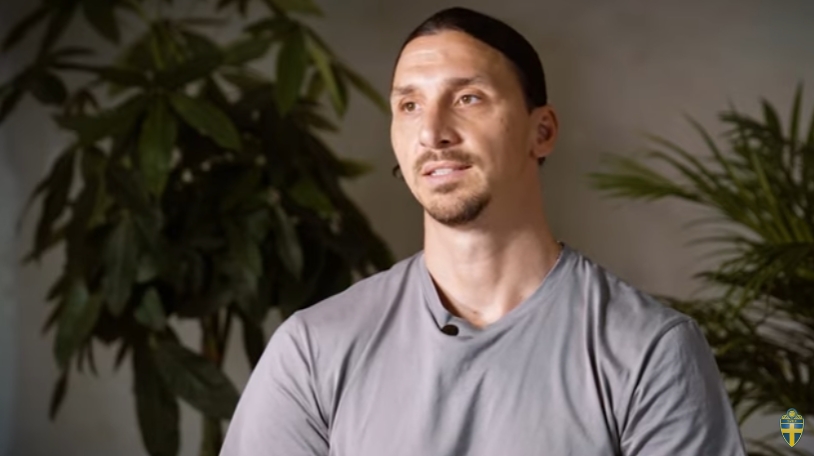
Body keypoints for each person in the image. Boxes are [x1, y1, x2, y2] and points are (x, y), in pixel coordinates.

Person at [220, 7, 747, 456]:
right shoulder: (313, 349)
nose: (432, 132)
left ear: (542, 131)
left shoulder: (650, 350)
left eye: (468, 98)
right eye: (409, 105)